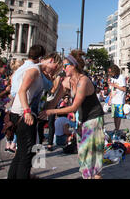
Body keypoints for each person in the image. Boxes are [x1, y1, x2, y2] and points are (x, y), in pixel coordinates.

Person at [43, 50, 105, 179]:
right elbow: (55, 100)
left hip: (93, 118)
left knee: (90, 151)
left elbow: (74, 107)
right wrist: (44, 110)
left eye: (66, 66)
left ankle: (94, 175)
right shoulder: (67, 81)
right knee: (82, 151)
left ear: (74, 66)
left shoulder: (84, 81)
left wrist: (50, 112)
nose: (64, 68)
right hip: (81, 118)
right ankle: (89, 175)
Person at [8, 47, 62, 179]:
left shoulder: (37, 71)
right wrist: (27, 111)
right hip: (23, 114)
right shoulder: (33, 70)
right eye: (55, 67)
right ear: (50, 60)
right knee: (27, 155)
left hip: (22, 113)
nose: (55, 70)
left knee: (22, 153)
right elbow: (21, 91)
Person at [108, 65, 126, 136]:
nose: (110, 74)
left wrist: (116, 86)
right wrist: (109, 99)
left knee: (118, 116)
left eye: (110, 72)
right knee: (114, 116)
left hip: (119, 99)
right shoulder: (112, 78)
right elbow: (112, 89)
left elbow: (124, 89)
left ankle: (117, 129)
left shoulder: (121, 77)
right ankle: (116, 128)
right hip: (113, 99)